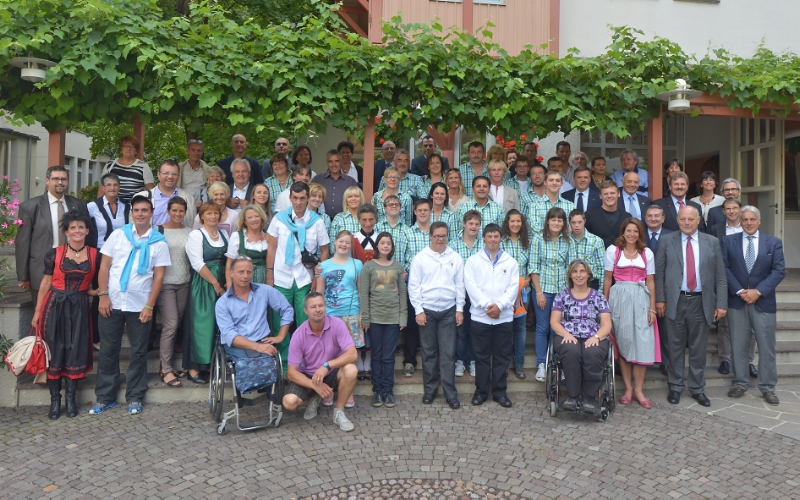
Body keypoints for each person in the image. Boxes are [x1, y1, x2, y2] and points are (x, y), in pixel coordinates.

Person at [90, 193, 170, 415]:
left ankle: (135, 396)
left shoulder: (158, 242)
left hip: (140, 306)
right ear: (132, 213)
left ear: (151, 213)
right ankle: (105, 397)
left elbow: (159, 277)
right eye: (136, 210)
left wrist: (150, 306)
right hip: (112, 303)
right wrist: (103, 296)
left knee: (138, 353)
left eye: (144, 210)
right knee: (108, 351)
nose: (140, 214)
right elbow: (104, 267)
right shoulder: (118, 235)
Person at [655, 205, 727, 407]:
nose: (686, 222)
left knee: (698, 348)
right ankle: (675, 386)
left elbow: (720, 276)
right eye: (682, 219)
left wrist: (721, 303)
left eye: (690, 219)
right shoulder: (666, 240)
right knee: (675, 346)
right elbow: (659, 273)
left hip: (701, 301)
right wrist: (660, 299)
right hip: (675, 301)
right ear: (678, 221)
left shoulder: (711, 242)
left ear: (698, 221)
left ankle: (697, 388)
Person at [31, 210, 98, 419]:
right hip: (55, 306)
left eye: (81, 227)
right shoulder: (55, 253)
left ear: (87, 231)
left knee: (76, 350)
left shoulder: (96, 254)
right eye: (73, 227)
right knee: (55, 350)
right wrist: (37, 311)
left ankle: (70, 400)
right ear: (67, 232)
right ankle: (55, 401)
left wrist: (98, 293)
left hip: (79, 308)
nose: (77, 230)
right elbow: (45, 283)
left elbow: (92, 286)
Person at [721, 206, 785, 405]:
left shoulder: (773, 242)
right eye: (745, 219)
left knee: (767, 347)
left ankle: (767, 387)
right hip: (737, 301)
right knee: (738, 345)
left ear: (759, 221)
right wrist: (740, 290)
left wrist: (758, 291)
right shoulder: (728, 241)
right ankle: (740, 383)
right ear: (740, 221)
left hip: (763, 301)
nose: (749, 223)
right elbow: (724, 268)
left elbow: (779, 270)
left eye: (752, 219)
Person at [408, 221, 465, 409]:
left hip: (449, 310)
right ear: (430, 236)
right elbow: (414, 286)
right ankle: (430, 390)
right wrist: (418, 310)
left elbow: (460, 285)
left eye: (443, 235)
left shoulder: (455, 257)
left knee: (448, 353)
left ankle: (450, 394)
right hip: (427, 311)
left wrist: (459, 309)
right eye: (437, 236)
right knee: (429, 353)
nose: (440, 239)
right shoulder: (420, 258)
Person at [282, 292, 359, 432]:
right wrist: (315, 386)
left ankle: (339, 412)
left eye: (320, 305)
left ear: (325, 307)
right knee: (289, 402)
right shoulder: (298, 334)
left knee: (351, 369)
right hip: (309, 375)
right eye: (313, 307)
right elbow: (292, 373)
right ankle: (315, 396)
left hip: (331, 371)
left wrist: (327, 365)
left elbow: (353, 354)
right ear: (306, 310)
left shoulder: (337, 324)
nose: (318, 309)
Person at [16, 166, 93, 304]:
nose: (60, 182)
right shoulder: (30, 207)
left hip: (74, 268)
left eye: (63, 179)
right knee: (43, 312)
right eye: (55, 179)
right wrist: (23, 276)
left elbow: (88, 236)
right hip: (42, 269)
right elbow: (23, 242)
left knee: (72, 312)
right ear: (47, 180)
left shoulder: (79, 205)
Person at [604, 218, 659, 409]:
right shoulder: (613, 251)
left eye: (635, 231)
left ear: (639, 233)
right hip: (619, 298)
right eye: (628, 230)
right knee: (624, 342)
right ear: (623, 232)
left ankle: (639, 390)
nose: (632, 234)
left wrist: (652, 307)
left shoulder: (646, 253)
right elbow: (608, 279)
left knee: (643, 343)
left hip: (641, 298)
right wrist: (605, 306)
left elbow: (650, 281)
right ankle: (628, 389)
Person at [215, 255, 294, 383]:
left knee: (268, 370)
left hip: (261, 340)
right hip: (237, 346)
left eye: (249, 272)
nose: (245, 276)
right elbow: (230, 335)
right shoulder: (222, 303)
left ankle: (269, 391)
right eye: (241, 272)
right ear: (231, 273)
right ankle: (245, 392)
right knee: (248, 369)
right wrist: (257, 347)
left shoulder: (264, 291)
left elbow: (287, 309)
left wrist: (280, 336)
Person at [464, 224, 519, 408]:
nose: (493, 240)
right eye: (489, 236)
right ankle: (480, 392)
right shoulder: (473, 261)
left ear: (500, 238)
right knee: (481, 357)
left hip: (504, 318)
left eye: (496, 236)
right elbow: (471, 286)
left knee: (502, 357)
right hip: (480, 317)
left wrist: (500, 306)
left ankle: (499, 392)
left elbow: (513, 288)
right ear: (484, 238)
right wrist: (487, 306)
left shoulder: (511, 262)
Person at [550, 259, 612, 413]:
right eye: (575, 271)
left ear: (588, 274)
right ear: (570, 275)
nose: (579, 275)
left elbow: (606, 324)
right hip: (567, 335)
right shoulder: (561, 296)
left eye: (582, 271)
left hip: (593, 336)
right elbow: (554, 322)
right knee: (571, 351)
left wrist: (596, 337)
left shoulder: (598, 297)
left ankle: (589, 397)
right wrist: (566, 334)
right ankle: (573, 395)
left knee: (592, 352)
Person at [266, 182, 331, 330]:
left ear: (307, 198)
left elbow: (325, 251)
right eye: (295, 198)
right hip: (281, 276)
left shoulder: (317, 221)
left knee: (305, 320)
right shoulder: (279, 219)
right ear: (290, 198)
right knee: (280, 321)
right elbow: (271, 248)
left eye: (302, 198)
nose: (298, 202)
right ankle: (283, 346)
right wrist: (269, 274)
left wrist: (317, 277)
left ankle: (304, 346)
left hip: (305, 278)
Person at [315, 230, 364, 408]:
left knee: (349, 355)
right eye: (341, 241)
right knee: (329, 353)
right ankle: (328, 390)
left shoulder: (357, 264)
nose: (344, 245)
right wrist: (318, 315)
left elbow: (360, 289)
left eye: (347, 242)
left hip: (351, 313)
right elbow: (319, 292)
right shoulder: (324, 265)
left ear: (351, 245)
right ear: (335, 243)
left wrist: (362, 312)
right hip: (330, 315)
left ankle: (347, 392)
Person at [183, 202, 228, 385]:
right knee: (202, 324)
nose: (213, 216)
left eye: (216, 213)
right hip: (204, 284)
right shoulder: (196, 235)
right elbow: (197, 263)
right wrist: (216, 283)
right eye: (209, 213)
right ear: (201, 217)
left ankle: (209, 365)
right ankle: (193, 369)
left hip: (222, 282)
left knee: (217, 324)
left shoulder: (224, 234)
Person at [360, 232, 407, 408]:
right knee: (377, 355)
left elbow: (402, 292)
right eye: (382, 243)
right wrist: (366, 317)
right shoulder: (369, 266)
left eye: (388, 243)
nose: (385, 246)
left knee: (389, 356)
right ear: (377, 246)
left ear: (391, 246)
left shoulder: (397, 266)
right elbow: (364, 293)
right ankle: (377, 390)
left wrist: (403, 317)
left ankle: (388, 390)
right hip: (375, 318)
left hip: (393, 318)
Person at [154, 198, 193, 388]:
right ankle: (166, 369)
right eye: (174, 210)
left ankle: (167, 364)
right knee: (170, 324)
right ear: (168, 211)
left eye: (181, 211)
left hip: (184, 282)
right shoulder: (158, 230)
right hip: (165, 284)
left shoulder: (190, 232)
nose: (178, 214)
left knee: (176, 324)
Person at [531, 207, 571, 382]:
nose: (556, 223)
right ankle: (542, 364)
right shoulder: (538, 238)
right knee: (542, 327)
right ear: (548, 221)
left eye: (560, 220)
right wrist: (539, 291)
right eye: (553, 219)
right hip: (544, 290)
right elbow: (534, 267)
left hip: (562, 292)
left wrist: (568, 294)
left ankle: (556, 364)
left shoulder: (568, 240)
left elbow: (570, 268)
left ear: (563, 223)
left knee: (558, 329)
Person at [450, 210, 483, 378]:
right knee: (461, 331)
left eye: (477, 224)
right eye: (470, 223)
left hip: (478, 295)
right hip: (460, 295)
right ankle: (460, 360)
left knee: (476, 331)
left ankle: (473, 360)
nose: (473, 227)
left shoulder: (483, 244)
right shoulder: (453, 244)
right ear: (464, 224)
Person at [501, 210, 531, 379]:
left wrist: (526, 281)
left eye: (518, 221)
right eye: (512, 221)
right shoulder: (501, 241)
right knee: (505, 329)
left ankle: (519, 363)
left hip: (523, 292)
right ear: (507, 222)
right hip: (504, 293)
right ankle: (504, 364)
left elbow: (532, 265)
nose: (515, 224)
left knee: (520, 329)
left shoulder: (527, 241)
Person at [643, 204, 673, 376]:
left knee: (665, 328)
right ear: (645, 218)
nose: (653, 219)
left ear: (663, 218)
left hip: (666, 287)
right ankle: (643, 360)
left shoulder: (672, 236)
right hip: (641, 287)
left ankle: (666, 362)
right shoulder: (638, 234)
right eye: (650, 216)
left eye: (656, 216)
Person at [97, 135, 154, 204]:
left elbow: (151, 191)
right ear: (121, 149)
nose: (128, 149)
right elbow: (102, 188)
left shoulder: (143, 166)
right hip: (113, 207)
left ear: (136, 151)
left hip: (134, 208)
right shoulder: (110, 165)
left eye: (132, 146)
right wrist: (99, 205)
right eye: (125, 146)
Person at [226, 205, 269, 283]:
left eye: (257, 216)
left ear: (262, 218)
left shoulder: (268, 236)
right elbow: (230, 263)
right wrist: (229, 286)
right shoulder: (237, 236)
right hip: (243, 281)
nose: (254, 219)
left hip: (265, 281)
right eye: (249, 217)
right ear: (244, 221)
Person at [312, 150, 359, 219]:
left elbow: (357, 201)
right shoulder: (318, 179)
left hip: (344, 220)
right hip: (320, 219)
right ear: (327, 163)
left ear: (341, 162)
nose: (334, 164)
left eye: (337, 161)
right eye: (330, 161)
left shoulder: (350, 181)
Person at [148, 159, 196, 227]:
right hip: (153, 234)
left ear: (178, 176)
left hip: (181, 234)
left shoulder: (188, 199)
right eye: (166, 173)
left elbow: (193, 226)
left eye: (174, 174)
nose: (170, 176)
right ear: (158, 174)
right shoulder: (145, 198)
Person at [567, 209, 605, 291]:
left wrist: (601, 291)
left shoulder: (596, 241)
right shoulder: (565, 240)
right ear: (569, 223)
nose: (577, 225)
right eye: (573, 222)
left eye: (580, 222)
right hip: (570, 285)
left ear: (584, 221)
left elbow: (602, 268)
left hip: (591, 284)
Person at [585, 181, 631, 248]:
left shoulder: (627, 217)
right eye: (605, 194)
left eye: (612, 193)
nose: (609, 196)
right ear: (600, 196)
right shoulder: (589, 216)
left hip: (621, 254)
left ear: (618, 194)